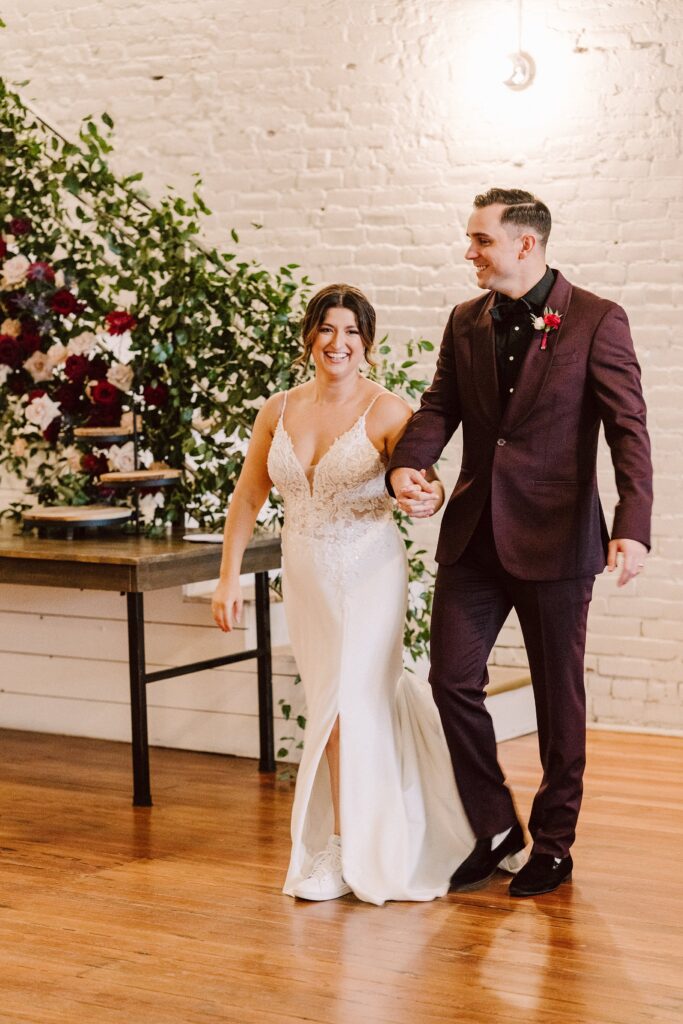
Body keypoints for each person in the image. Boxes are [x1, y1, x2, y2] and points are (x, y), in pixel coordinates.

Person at [388, 188, 653, 897]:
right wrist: (407, 466)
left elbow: (628, 430)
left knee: (556, 701)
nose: (468, 251)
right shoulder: (463, 320)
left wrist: (631, 525)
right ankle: (495, 825)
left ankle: (555, 844)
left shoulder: (597, 320)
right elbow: (440, 406)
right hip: (473, 536)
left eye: (479, 240)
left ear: (524, 245)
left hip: (557, 539)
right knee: (450, 678)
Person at [211, 284, 480, 905]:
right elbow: (248, 496)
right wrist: (228, 577)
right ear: (310, 336)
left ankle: (344, 847)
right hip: (304, 578)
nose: (339, 343)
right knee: (339, 704)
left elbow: (425, 485)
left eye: (351, 332)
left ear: (368, 343)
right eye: (327, 329)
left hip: (368, 576)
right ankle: (390, 826)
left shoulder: (388, 413)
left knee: (343, 708)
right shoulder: (276, 411)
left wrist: (427, 496)